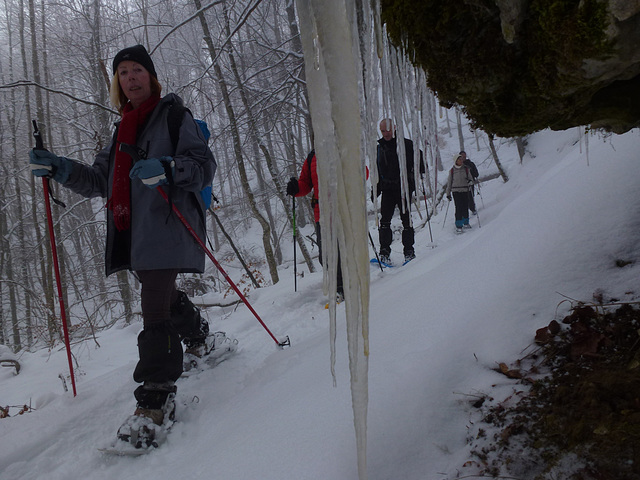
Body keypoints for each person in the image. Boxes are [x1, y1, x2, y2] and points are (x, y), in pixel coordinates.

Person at [29, 45, 216, 445]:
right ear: (118, 83)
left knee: (154, 310)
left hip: (169, 224)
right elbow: (99, 180)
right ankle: (200, 334)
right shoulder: (122, 129)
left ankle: (155, 399)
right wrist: (59, 168)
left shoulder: (174, 116)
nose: (131, 78)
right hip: (133, 232)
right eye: (123, 73)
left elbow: (203, 167)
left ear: (151, 76)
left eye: (137, 70)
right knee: (161, 295)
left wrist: (167, 168)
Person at [286, 150, 344, 302]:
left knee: (341, 249)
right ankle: (338, 286)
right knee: (325, 254)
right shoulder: (313, 156)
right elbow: (305, 183)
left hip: (344, 210)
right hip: (322, 214)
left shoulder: (343, 145)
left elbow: (361, 173)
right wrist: (296, 188)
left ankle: (342, 287)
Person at [375, 118, 423, 264]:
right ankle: (384, 253)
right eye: (383, 131)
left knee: (406, 221)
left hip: (404, 188)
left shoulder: (406, 144)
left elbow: (420, 161)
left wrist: (418, 171)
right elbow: (377, 170)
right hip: (387, 189)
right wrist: (375, 190)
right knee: (384, 222)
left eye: (387, 130)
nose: (385, 133)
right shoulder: (379, 147)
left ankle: (409, 252)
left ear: (394, 128)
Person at [446, 153, 475, 233]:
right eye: (459, 159)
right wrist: (448, 193)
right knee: (458, 207)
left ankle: (466, 222)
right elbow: (449, 182)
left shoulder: (466, 169)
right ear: (456, 161)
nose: (461, 161)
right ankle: (459, 225)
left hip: (465, 190)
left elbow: (471, 179)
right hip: (456, 191)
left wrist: (470, 182)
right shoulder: (452, 170)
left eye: (461, 159)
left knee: (465, 206)